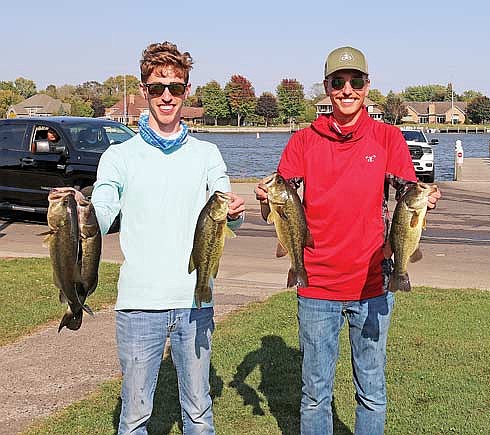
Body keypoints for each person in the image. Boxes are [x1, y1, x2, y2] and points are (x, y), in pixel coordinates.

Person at [255, 46, 441, 435]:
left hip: (373, 283)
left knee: (371, 390)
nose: (347, 90)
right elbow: (282, 196)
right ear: (326, 88)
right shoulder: (304, 142)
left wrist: (426, 196)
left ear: (367, 86)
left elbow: (407, 187)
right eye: (338, 83)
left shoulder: (388, 137)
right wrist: (264, 197)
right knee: (315, 394)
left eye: (355, 82)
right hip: (316, 285)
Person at [91, 41, 245, 434]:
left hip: (196, 301)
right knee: (134, 418)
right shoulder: (119, 156)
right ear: (143, 90)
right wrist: (80, 214)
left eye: (175, 88)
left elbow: (229, 214)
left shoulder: (208, 154)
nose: (166, 96)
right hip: (138, 305)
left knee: (198, 414)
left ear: (186, 92)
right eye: (157, 87)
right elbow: (102, 213)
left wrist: (236, 212)